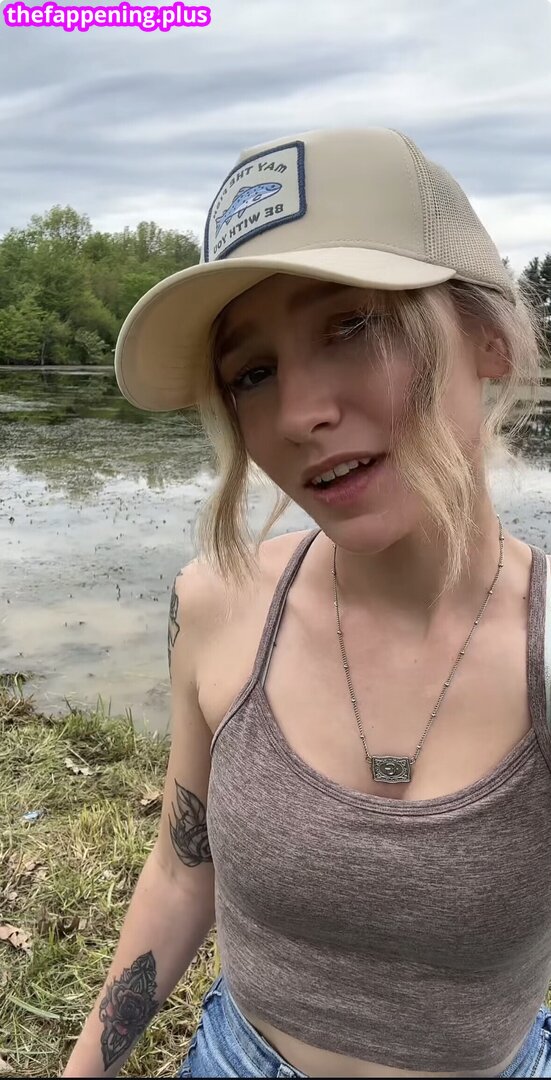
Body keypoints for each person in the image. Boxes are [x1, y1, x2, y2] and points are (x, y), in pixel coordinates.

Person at [62, 128, 551, 1080]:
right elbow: (181, 871)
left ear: (488, 339)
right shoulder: (216, 603)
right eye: (252, 374)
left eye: (352, 325)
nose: (296, 416)